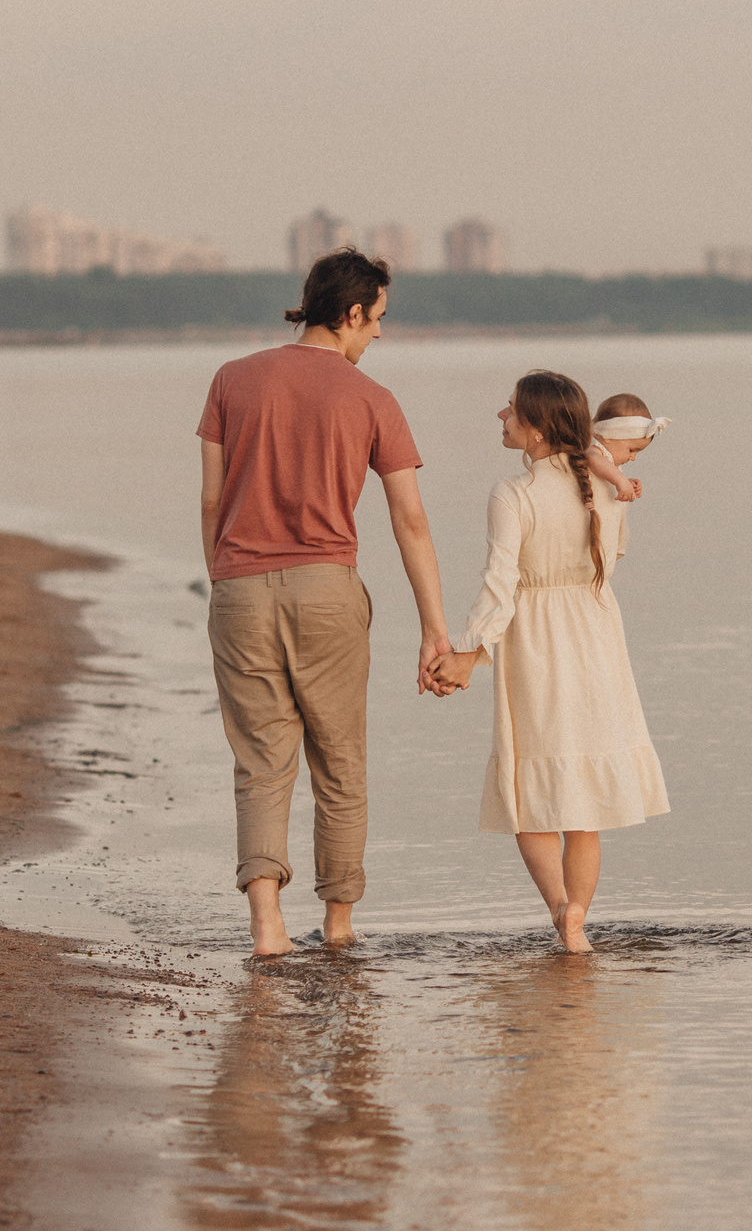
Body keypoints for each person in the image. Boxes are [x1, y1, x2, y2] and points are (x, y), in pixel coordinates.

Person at [197, 248, 451, 956]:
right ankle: (339, 927)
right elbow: (410, 521)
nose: (380, 332)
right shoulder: (372, 399)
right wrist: (434, 628)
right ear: (350, 313)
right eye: (378, 318)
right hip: (326, 592)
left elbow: (212, 499)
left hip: (239, 588)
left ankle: (267, 927)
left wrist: (224, 581)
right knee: (339, 763)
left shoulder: (231, 378)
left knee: (260, 761)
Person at [433, 370, 668, 953]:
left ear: (536, 428)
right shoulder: (605, 486)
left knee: (530, 797)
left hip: (535, 644)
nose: (501, 416)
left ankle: (561, 909)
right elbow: (613, 555)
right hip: (596, 639)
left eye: (510, 408)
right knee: (583, 805)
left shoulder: (513, 493)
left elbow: (500, 582)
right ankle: (579, 918)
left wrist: (469, 652)